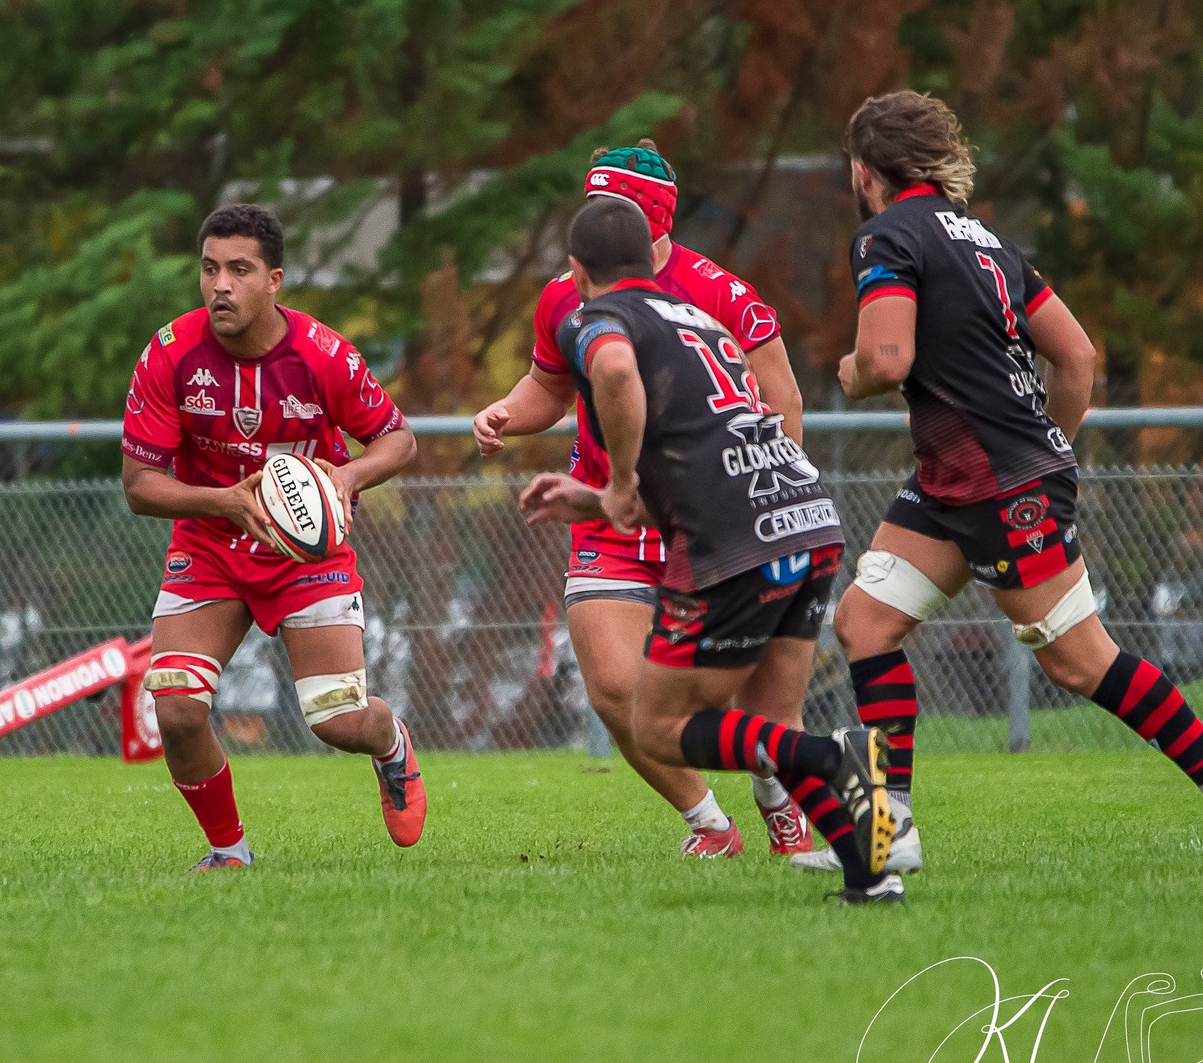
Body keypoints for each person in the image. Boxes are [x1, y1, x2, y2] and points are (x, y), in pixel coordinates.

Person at [806, 89, 1203, 877]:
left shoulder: (886, 234)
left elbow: (885, 360)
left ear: (865, 170)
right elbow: (1078, 357)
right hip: (960, 478)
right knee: (865, 622)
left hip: (998, 482)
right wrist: (1047, 441)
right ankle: (889, 830)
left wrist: (856, 369)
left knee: (1076, 659)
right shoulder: (989, 243)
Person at [522, 195, 901, 904]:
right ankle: (867, 873)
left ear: (576, 270)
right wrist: (602, 496)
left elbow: (611, 372)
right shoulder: (694, 313)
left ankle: (838, 759)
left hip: (733, 536)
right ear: (650, 255)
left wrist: (624, 480)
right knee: (765, 719)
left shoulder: (595, 317)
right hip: (806, 515)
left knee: (660, 726)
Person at [474, 143, 816, 859]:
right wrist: (507, 411)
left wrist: (761, 496)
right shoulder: (565, 293)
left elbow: (782, 401)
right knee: (615, 689)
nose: (593, 226)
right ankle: (710, 825)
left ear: (651, 219)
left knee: (735, 704)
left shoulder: (721, 292)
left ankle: (779, 789)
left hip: (715, 516)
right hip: (613, 516)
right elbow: (550, 384)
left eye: (611, 210)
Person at [121, 203, 422, 870]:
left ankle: (392, 742)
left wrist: (346, 479)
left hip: (303, 552)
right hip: (210, 545)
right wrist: (223, 501)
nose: (219, 285)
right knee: (175, 706)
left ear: (274, 280)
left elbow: (398, 439)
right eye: (208, 269)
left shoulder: (323, 355)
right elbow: (140, 485)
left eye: (239, 269)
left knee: (337, 720)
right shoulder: (171, 353)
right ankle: (229, 852)